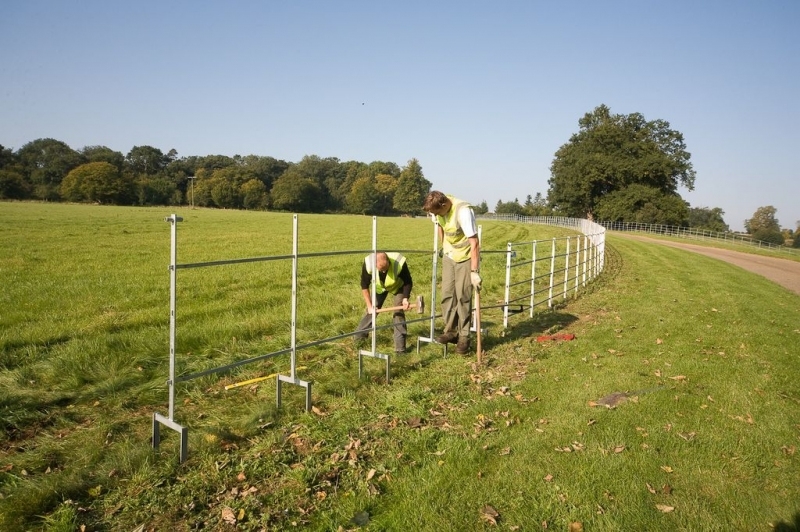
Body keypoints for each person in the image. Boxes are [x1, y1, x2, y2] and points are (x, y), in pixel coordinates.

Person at [422, 190, 481, 355]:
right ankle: (451, 332)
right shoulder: (436, 210)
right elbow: (440, 226)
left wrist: (474, 271)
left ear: (444, 204)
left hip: (466, 258)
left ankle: (464, 338)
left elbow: (474, 242)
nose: (435, 215)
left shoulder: (463, 212)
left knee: (463, 296)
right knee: (447, 295)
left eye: (436, 212)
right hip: (450, 256)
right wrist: (444, 247)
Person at [354, 251, 413, 354]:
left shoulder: (399, 262)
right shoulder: (368, 264)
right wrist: (369, 306)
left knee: (398, 312)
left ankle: (400, 349)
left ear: (388, 261)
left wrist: (405, 298)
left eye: (386, 268)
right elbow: (364, 285)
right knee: (371, 311)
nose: (385, 272)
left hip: (398, 286)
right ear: (375, 265)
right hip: (380, 288)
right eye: (382, 270)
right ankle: (359, 339)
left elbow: (408, 281)